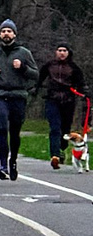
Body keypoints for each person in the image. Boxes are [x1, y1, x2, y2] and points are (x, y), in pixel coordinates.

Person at [0, 20, 37, 180]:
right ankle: (3, 166)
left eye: (9, 31)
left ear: (14, 34)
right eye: (3, 31)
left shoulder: (24, 53)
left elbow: (35, 74)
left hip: (18, 95)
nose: (6, 34)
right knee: (2, 128)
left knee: (15, 132)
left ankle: (12, 160)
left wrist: (23, 67)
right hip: (0, 95)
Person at [42, 42, 82, 170]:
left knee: (65, 130)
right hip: (52, 99)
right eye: (59, 50)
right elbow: (40, 78)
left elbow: (80, 83)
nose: (62, 53)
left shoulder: (73, 67)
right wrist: (35, 89)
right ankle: (55, 155)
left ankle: (62, 148)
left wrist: (84, 93)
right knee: (55, 128)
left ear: (68, 53)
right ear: (56, 52)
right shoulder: (49, 65)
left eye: (64, 50)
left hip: (68, 100)